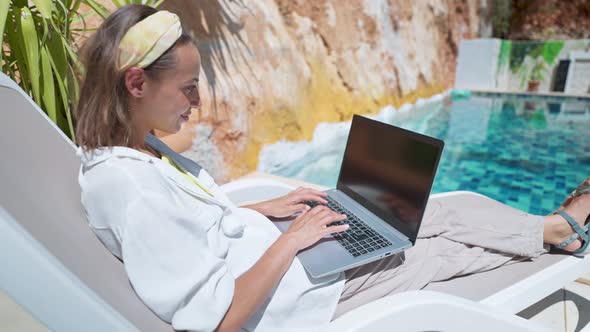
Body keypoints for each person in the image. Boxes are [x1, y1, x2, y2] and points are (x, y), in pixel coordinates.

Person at [76, 5, 590, 332]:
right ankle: (561, 231)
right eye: (188, 87)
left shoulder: (132, 152)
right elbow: (217, 320)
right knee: (442, 247)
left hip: (285, 256)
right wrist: (291, 240)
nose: (197, 100)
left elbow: (187, 230)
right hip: (297, 295)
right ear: (137, 84)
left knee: (421, 212)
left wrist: (262, 210)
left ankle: (553, 228)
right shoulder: (129, 186)